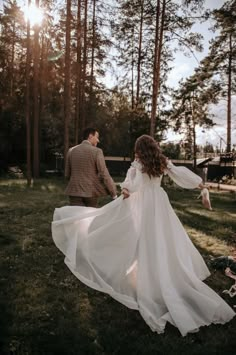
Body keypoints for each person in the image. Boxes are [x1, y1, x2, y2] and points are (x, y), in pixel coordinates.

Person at [52, 134, 235, 336]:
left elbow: (136, 185)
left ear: (139, 150)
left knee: (144, 241)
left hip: (144, 204)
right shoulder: (162, 161)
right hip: (159, 202)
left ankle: (150, 279)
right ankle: (162, 274)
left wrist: (127, 188)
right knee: (163, 241)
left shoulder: (138, 164)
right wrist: (200, 184)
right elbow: (180, 174)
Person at [64, 127, 117, 207]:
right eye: (97, 137)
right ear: (90, 136)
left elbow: (67, 175)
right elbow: (104, 173)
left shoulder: (71, 151)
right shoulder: (97, 151)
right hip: (90, 192)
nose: (98, 140)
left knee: (76, 218)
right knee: (90, 217)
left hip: (74, 192)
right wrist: (113, 193)